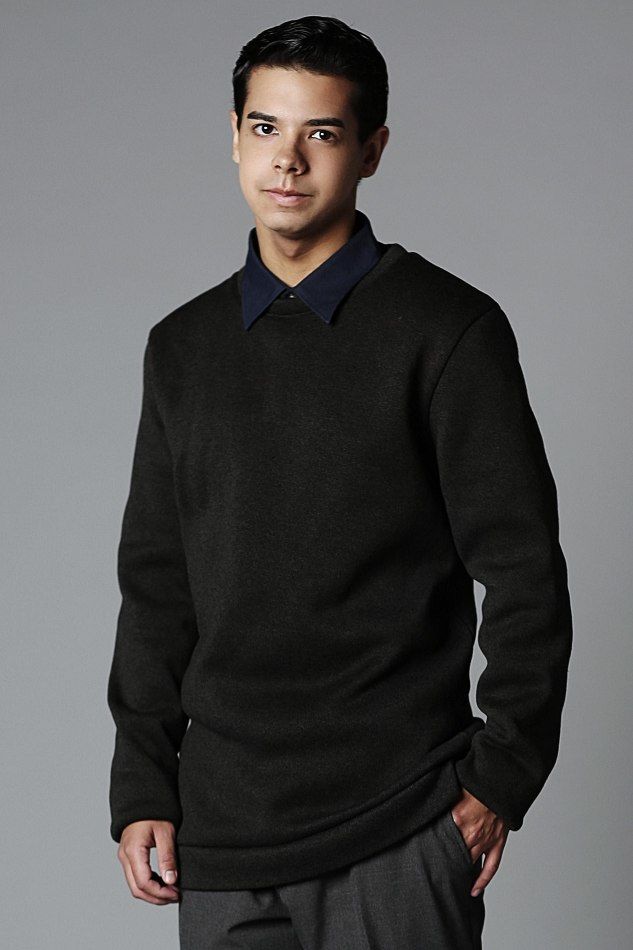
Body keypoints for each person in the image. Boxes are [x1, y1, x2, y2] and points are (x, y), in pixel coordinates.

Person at [107, 15, 573, 949]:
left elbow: (524, 571)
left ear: (371, 151)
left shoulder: (446, 329)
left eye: (320, 132)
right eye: (264, 127)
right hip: (222, 834)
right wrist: (142, 784)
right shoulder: (183, 348)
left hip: (399, 825)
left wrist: (498, 782)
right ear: (234, 136)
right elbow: (159, 585)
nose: (287, 159)